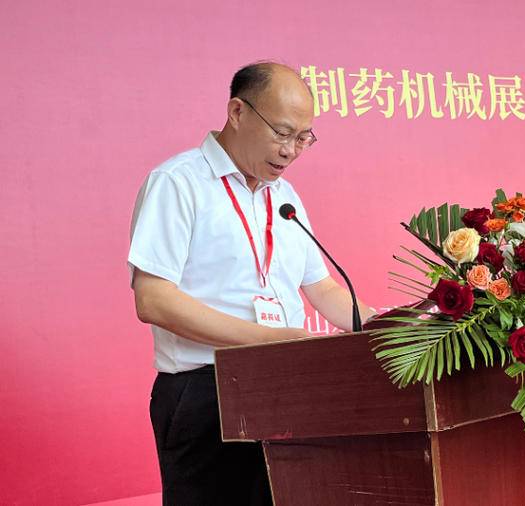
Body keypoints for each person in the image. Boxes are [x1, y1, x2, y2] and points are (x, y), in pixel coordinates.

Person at [128, 61, 377, 505]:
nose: (291, 151)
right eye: (282, 133)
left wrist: (384, 328)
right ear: (238, 112)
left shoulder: (284, 196)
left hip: (288, 385)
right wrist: (270, 341)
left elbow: (321, 289)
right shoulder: (178, 183)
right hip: (207, 391)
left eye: (303, 138)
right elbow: (154, 299)